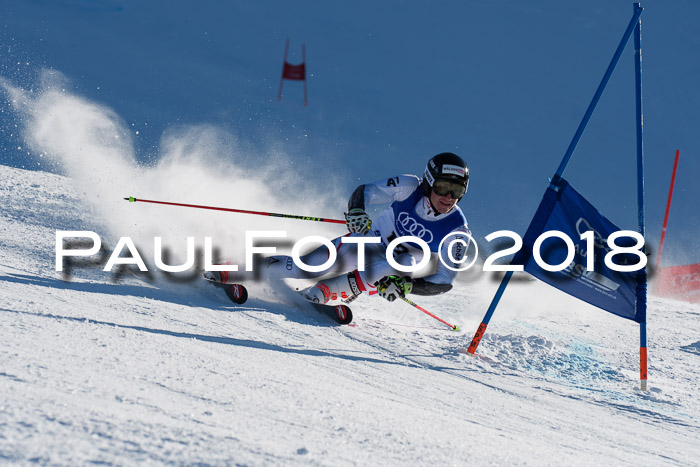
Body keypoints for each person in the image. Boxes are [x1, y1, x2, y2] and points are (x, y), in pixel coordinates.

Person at [261, 151, 473, 305]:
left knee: (395, 268)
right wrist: (356, 211)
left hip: (394, 265)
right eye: (443, 187)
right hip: (369, 242)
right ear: (428, 183)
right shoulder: (409, 186)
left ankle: (323, 293)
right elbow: (366, 191)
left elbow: (444, 281)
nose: (449, 197)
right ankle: (248, 268)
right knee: (307, 267)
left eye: (456, 190)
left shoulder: (457, 231)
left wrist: (408, 286)